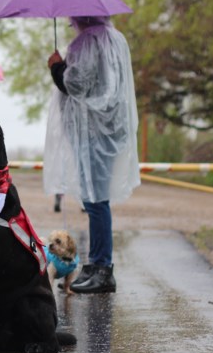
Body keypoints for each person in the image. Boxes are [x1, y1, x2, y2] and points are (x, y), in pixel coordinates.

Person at [43, 15, 140, 294]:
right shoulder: (115, 39)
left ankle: (102, 268)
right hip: (108, 129)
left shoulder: (87, 42)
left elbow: (75, 85)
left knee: (96, 200)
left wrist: (57, 66)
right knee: (97, 198)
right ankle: (98, 265)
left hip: (93, 133)